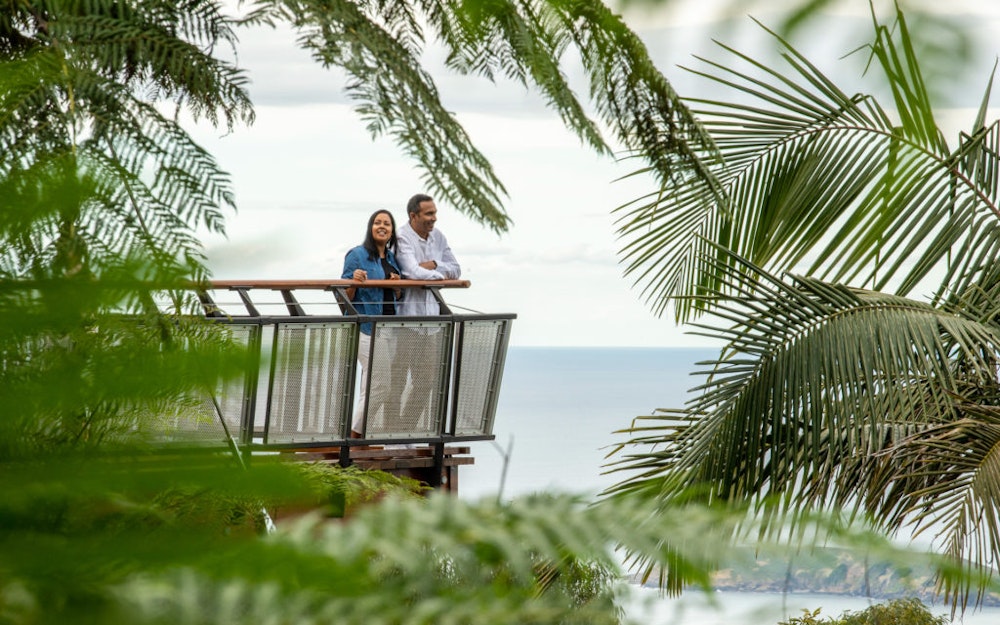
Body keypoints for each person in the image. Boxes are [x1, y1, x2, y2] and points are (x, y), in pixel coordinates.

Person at [394, 194, 461, 430]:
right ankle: (389, 435)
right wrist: (433, 272)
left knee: (426, 381)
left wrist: (432, 267)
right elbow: (411, 271)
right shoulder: (402, 237)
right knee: (397, 381)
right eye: (429, 214)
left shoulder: (439, 237)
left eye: (435, 213)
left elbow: (456, 269)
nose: (434, 218)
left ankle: (404, 430)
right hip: (405, 322)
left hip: (431, 323)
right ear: (414, 216)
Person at [341, 209, 402, 438]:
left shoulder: (392, 259)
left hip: (388, 329)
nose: (382, 226)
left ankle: (359, 436)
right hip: (366, 328)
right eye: (377, 222)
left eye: (386, 223)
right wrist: (354, 282)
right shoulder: (357, 255)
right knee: (382, 385)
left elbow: (396, 297)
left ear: (392, 231)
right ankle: (353, 437)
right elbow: (343, 297)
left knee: (372, 385)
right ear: (370, 227)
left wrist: (397, 285)